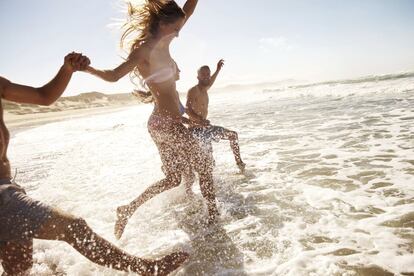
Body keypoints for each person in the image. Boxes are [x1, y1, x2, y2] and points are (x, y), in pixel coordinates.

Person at [0, 52, 188, 275]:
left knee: (18, 269)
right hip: (3, 197)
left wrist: (67, 69)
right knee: (73, 227)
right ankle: (147, 269)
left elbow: (44, 96)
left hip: (7, 185)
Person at [85, 0, 219, 240]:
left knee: (172, 178)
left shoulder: (165, 41)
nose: (179, 33)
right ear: (164, 23)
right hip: (166, 125)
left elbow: (186, 12)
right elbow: (115, 75)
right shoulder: (144, 50)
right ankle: (214, 220)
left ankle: (127, 209)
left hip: (161, 124)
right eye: (176, 28)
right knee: (204, 166)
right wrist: (87, 69)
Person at [183, 59, 246, 191]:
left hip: (206, 128)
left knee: (233, 135)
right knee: (208, 164)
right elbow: (187, 109)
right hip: (196, 131)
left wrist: (217, 69)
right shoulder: (193, 90)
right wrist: (199, 120)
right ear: (198, 77)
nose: (206, 77)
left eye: (208, 74)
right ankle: (197, 186)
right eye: (203, 74)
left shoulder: (205, 88)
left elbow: (211, 81)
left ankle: (239, 163)